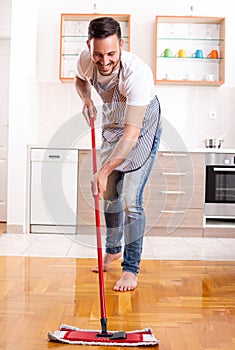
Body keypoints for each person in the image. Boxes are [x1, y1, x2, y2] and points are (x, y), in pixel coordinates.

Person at [75, 16, 161, 292]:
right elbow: (80, 81)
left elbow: (131, 136)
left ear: (121, 45)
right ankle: (113, 250)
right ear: (89, 46)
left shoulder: (137, 74)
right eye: (98, 54)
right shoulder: (87, 59)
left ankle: (131, 268)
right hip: (114, 120)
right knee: (110, 193)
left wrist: (102, 170)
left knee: (129, 199)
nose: (104, 60)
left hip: (141, 125)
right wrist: (87, 99)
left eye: (111, 53)